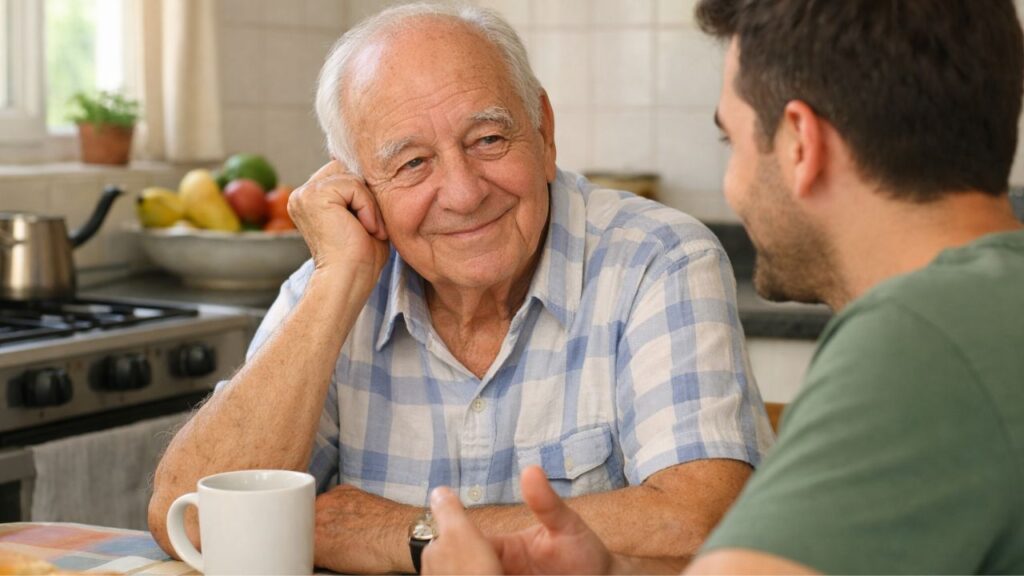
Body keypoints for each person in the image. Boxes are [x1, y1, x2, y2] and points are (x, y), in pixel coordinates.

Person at [147, 3, 773, 574]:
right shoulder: (333, 283)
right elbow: (193, 522)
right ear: (358, 186)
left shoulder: (658, 258)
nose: (465, 192)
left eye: (489, 140)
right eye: (412, 163)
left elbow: (700, 524)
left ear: (544, 132)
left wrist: (405, 534)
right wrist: (335, 287)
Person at [420, 0, 1024, 574]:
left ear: (801, 143)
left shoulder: (919, 343)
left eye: (729, 140)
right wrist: (616, 569)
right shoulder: (990, 313)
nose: (731, 183)